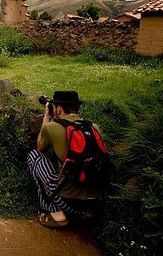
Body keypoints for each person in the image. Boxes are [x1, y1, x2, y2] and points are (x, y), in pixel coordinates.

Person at [27, 90, 105, 228]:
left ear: (58, 109)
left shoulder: (52, 127)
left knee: (34, 156)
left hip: (68, 202)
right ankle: (84, 214)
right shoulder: (93, 127)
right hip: (95, 203)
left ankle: (55, 213)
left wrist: (47, 116)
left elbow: (40, 147)